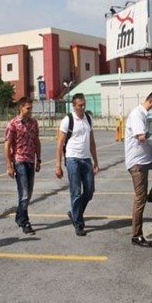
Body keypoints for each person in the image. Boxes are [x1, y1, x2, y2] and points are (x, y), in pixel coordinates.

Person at [124, 90, 152, 248]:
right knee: (140, 198)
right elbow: (141, 137)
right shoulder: (137, 114)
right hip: (137, 163)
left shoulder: (145, 115)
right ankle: (136, 235)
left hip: (147, 159)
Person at [56, 93, 100, 236]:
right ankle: (78, 223)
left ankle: (75, 212)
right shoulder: (67, 120)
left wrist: (95, 161)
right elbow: (60, 144)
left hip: (86, 159)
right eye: (80, 105)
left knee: (89, 191)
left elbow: (92, 142)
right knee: (75, 191)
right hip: (72, 159)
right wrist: (58, 165)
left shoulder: (88, 118)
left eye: (84, 104)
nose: (82, 107)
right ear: (74, 106)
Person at [5, 97, 41, 235]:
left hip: (31, 160)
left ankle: (19, 216)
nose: (30, 111)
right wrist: (9, 165)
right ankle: (25, 221)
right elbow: (7, 145)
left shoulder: (33, 123)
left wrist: (39, 159)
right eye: (28, 108)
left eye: (31, 108)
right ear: (21, 108)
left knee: (29, 193)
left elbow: (37, 141)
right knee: (24, 193)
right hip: (19, 160)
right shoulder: (12, 124)